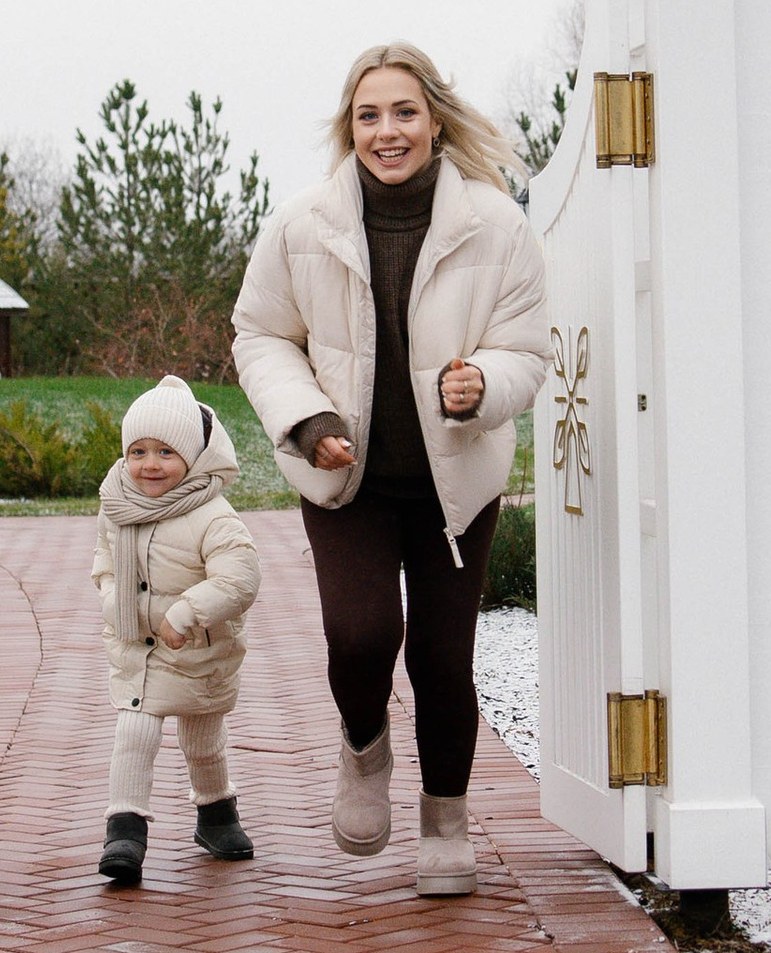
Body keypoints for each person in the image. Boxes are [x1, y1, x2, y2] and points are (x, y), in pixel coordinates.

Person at [233, 44, 549, 899]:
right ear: (350, 129)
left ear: (435, 120)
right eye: (369, 115)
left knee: (446, 661)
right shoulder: (302, 226)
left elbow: (525, 349)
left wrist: (483, 383)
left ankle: (446, 819)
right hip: (348, 480)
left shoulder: (497, 225)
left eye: (404, 112)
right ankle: (364, 743)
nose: (388, 131)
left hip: (458, 485)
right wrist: (309, 420)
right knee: (362, 636)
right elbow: (258, 334)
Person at [90, 374, 264, 890]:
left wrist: (187, 614)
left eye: (166, 452)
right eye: (138, 451)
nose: (149, 464)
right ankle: (124, 830)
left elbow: (240, 577)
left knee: (203, 738)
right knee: (134, 732)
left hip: (196, 650)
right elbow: (104, 560)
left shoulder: (212, 514)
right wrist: (110, 598)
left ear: (193, 457)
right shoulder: (117, 504)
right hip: (134, 645)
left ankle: (217, 815)